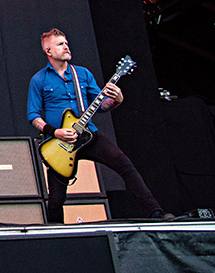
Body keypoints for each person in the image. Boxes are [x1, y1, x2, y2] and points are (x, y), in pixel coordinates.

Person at [27, 28, 170, 222]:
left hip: (89, 135)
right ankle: (57, 234)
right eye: (60, 44)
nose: (66, 46)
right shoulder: (39, 79)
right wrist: (56, 132)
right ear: (49, 51)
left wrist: (116, 100)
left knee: (124, 165)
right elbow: (34, 116)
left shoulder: (83, 74)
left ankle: (156, 212)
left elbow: (101, 105)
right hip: (59, 144)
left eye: (66, 42)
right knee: (56, 199)